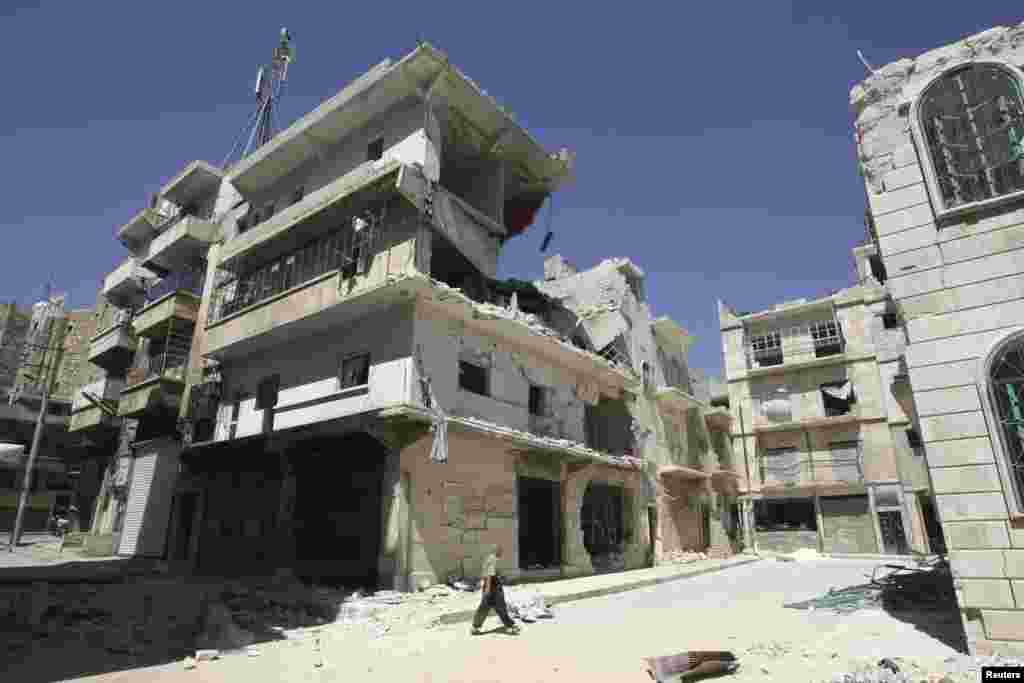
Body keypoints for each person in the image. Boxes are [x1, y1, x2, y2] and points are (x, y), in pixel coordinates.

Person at [470, 544, 520, 635]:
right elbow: (489, 575)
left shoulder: (489, 559)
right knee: (500, 607)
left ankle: (475, 627)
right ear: (496, 551)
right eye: (500, 551)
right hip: (493, 587)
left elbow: (488, 574)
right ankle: (510, 626)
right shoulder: (493, 559)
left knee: (486, 607)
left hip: (490, 586)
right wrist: (488, 589)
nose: (501, 553)